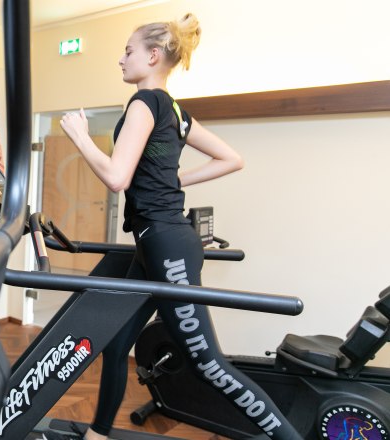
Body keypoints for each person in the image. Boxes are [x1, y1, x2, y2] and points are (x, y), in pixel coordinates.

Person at [55, 13, 302, 440]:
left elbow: (117, 178)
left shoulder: (144, 103)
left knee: (208, 364)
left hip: (166, 243)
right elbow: (231, 158)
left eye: (128, 51)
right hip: (154, 242)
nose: (121, 60)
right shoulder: (174, 111)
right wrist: (172, 180)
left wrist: (80, 137)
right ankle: (98, 433)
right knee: (116, 344)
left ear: (152, 56)